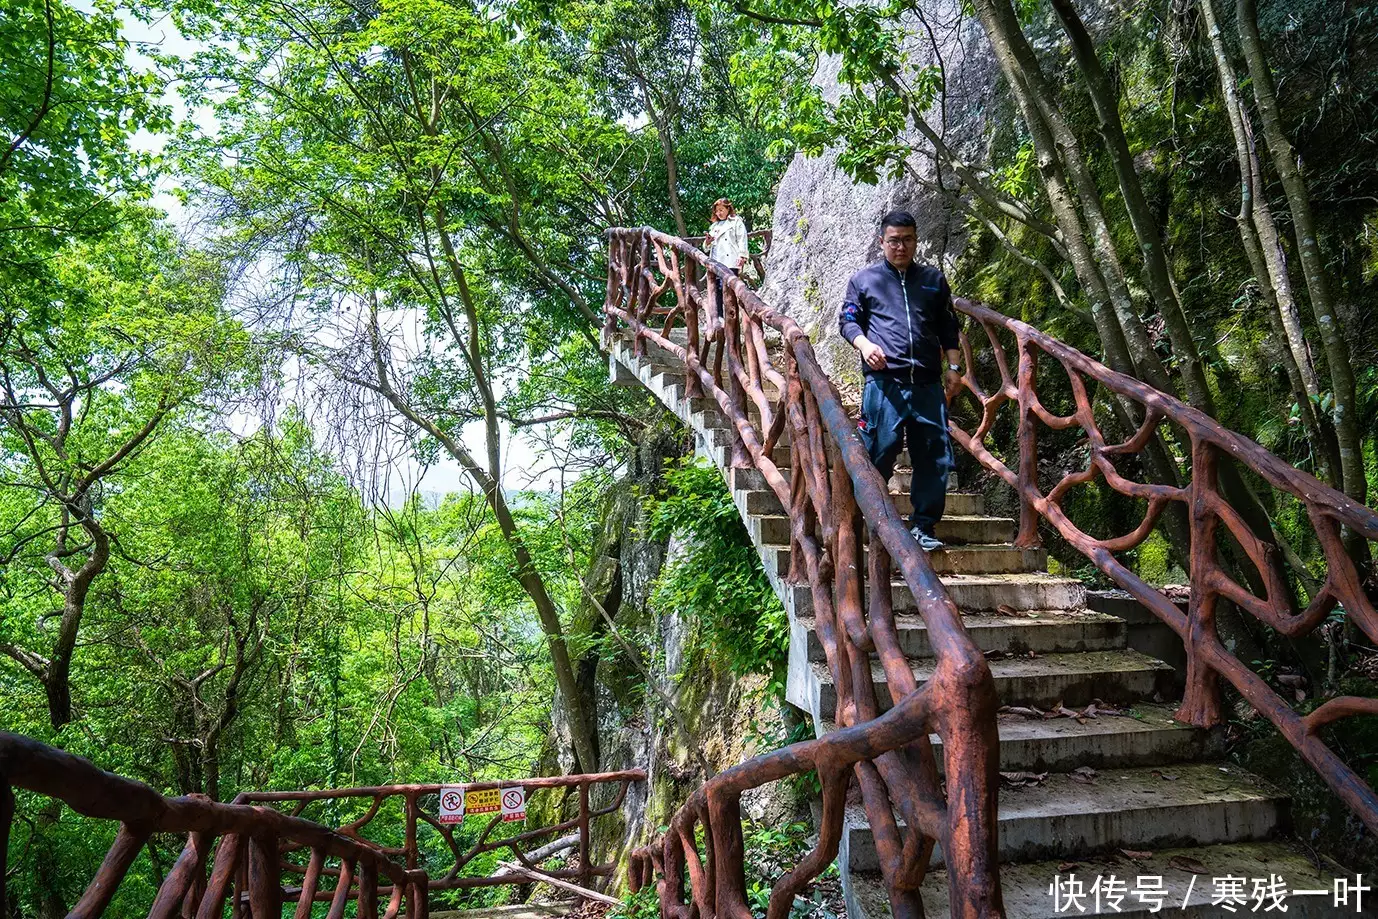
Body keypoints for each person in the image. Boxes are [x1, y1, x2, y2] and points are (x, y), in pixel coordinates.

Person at [838, 211, 961, 552]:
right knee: (879, 450)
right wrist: (864, 345)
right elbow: (848, 321)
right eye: (893, 240)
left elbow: (948, 327)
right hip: (884, 383)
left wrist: (954, 367)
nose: (900, 246)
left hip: (927, 383)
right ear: (882, 242)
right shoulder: (864, 280)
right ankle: (869, 522)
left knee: (933, 456)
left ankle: (923, 527)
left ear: (916, 240)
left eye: (907, 239)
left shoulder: (933, 281)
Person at [703, 198, 749, 314]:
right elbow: (707, 247)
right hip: (716, 261)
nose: (719, 213)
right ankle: (718, 318)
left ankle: (732, 320)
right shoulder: (714, 227)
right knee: (716, 290)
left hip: (730, 260)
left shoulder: (736, 221)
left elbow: (742, 239)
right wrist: (708, 242)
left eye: (722, 210)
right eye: (717, 211)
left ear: (728, 208)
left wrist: (742, 256)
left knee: (730, 290)